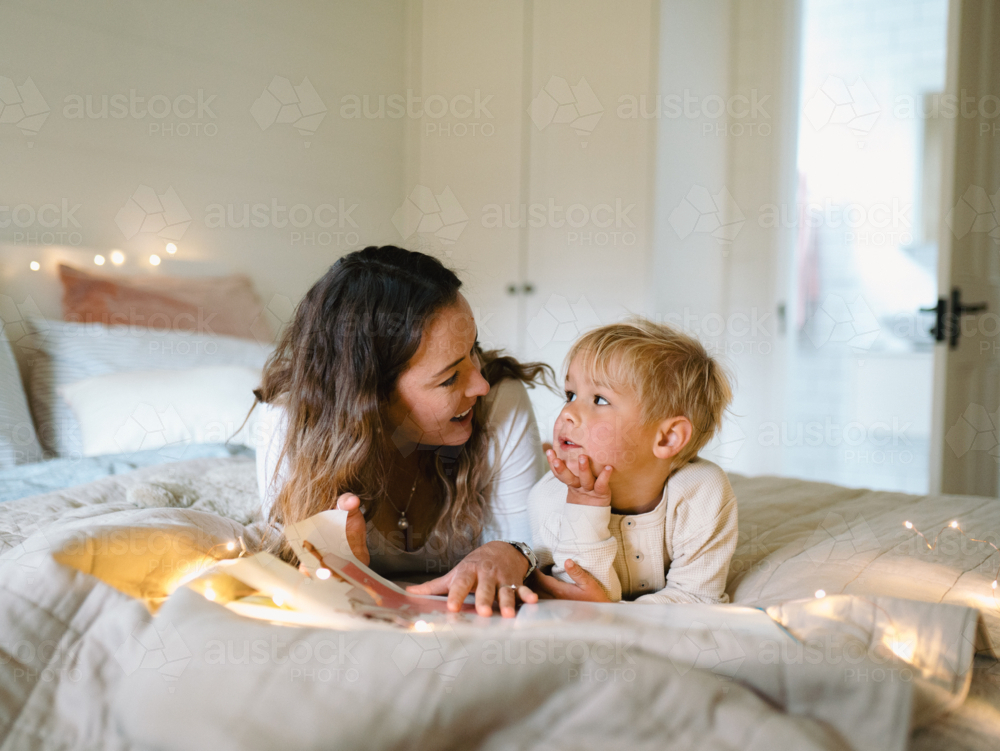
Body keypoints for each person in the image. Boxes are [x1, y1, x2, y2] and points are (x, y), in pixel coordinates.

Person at [253, 245, 551, 618]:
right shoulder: (289, 419)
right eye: (449, 379)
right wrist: (337, 566)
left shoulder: (500, 402)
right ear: (370, 397)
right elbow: (291, 568)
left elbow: (530, 544)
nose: (480, 385)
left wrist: (512, 553)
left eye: (473, 349)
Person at [528, 318, 738, 604]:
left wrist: (614, 609)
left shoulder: (702, 493)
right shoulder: (548, 499)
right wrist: (584, 507)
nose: (567, 412)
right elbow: (585, 596)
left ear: (667, 439)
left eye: (599, 399)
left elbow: (697, 599)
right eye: (571, 394)